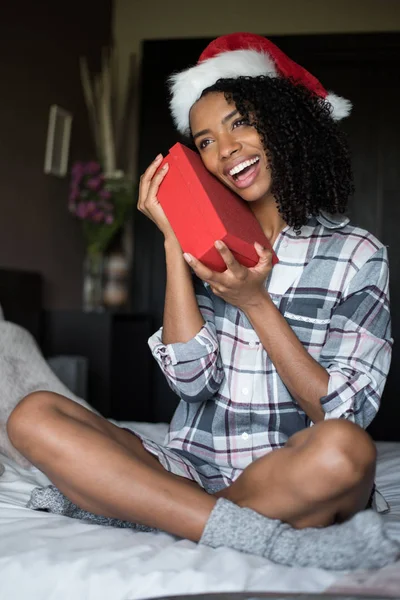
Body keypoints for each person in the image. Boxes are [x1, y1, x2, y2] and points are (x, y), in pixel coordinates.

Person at [6, 33, 394, 566]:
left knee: (347, 453)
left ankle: (149, 509)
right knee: (31, 414)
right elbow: (191, 381)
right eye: (205, 140)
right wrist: (173, 239)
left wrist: (256, 303)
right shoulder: (205, 245)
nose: (226, 149)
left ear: (285, 124)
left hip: (293, 471)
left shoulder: (356, 254)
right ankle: (247, 529)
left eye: (240, 122)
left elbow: (342, 412)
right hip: (190, 466)